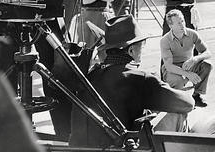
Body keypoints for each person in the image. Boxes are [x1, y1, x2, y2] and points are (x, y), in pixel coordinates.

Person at [69, 14, 194, 148]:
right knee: (179, 113)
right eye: (141, 45)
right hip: (124, 147)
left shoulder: (90, 76)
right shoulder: (140, 78)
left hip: (86, 148)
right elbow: (187, 104)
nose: (142, 49)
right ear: (131, 49)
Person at [160, 9, 212, 108]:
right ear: (171, 26)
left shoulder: (192, 34)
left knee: (207, 65)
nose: (182, 25)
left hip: (189, 64)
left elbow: (207, 52)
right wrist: (188, 74)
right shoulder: (165, 41)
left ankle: (196, 95)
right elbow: (169, 66)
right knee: (177, 81)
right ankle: (176, 100)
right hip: (173, 68)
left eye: (183, 21)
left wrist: (195, 59)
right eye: (178, 23)